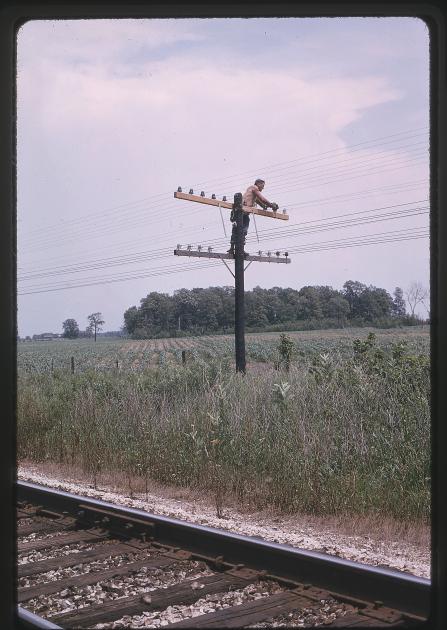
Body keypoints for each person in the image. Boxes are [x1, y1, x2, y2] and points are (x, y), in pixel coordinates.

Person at [227, 179, 279, 256]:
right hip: (240, 212)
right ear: (258, 183)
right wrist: (271, 205)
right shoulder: (254, 188)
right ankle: (232, 248)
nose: (263, 188)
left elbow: (260, 202)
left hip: (244, 213)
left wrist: (265, 206)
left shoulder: (253, 193)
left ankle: (240, 249)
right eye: (262, 185)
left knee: (242, 231)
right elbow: (262, 199)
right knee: (237, 230)